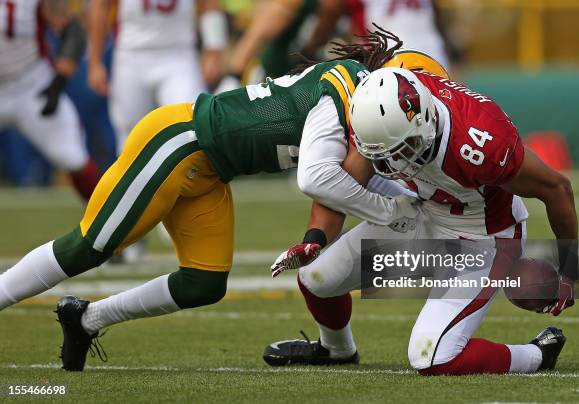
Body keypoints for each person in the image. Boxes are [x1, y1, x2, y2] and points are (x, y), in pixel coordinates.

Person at [0, 29, 417, 372]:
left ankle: (87, 320)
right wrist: (394, 212)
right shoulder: (343, 84)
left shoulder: (358, 111)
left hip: (211, 171)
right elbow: (318, 178)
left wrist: (322, 234)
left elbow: (344, 182)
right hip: (181, 141)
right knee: (89, 247)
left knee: (204, 282)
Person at [264, 48, 578, 375]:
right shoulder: (378, 121)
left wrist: (570, 269)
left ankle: (537, 355)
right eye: (381, 156)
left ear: (424, 120)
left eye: (402, 149)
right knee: (316, 278)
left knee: (431, 357)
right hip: (422, 216)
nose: (391, 162)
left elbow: (557, 188)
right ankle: (336, 350)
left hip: (483, 240)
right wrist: (313, 239)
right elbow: (342, 188)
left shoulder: (480, 142)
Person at [88, 0, 228, 153]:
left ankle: (187, 175)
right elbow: (100, 5)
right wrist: (94, 61)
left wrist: (214, 52)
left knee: (192, 125)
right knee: (130, 135)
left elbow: (209, 3)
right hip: (132, 53)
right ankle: (135, 177)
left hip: (178, 53)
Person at [0, 0, 99, 200]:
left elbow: (73, 31)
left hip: (32, 86)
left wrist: (57, 83)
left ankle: (117, 223)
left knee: (72, 157)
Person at [216, 0, 344, 92]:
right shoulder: (293, 4)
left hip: (307, 82)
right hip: (271, 79)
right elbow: (256, 35)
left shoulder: (348, 8)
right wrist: (233, 76)